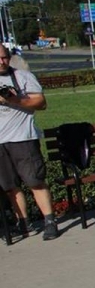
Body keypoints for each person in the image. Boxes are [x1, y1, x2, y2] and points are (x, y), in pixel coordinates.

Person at [0, 45, 58, 240]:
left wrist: (13, 99)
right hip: (0, 143)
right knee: (10, 186)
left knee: (35, 181)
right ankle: (23, 223)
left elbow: (41, 103)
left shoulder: (22, 77)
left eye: (4, 57)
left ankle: (49, 221)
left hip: (23, 138)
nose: (2, 62)